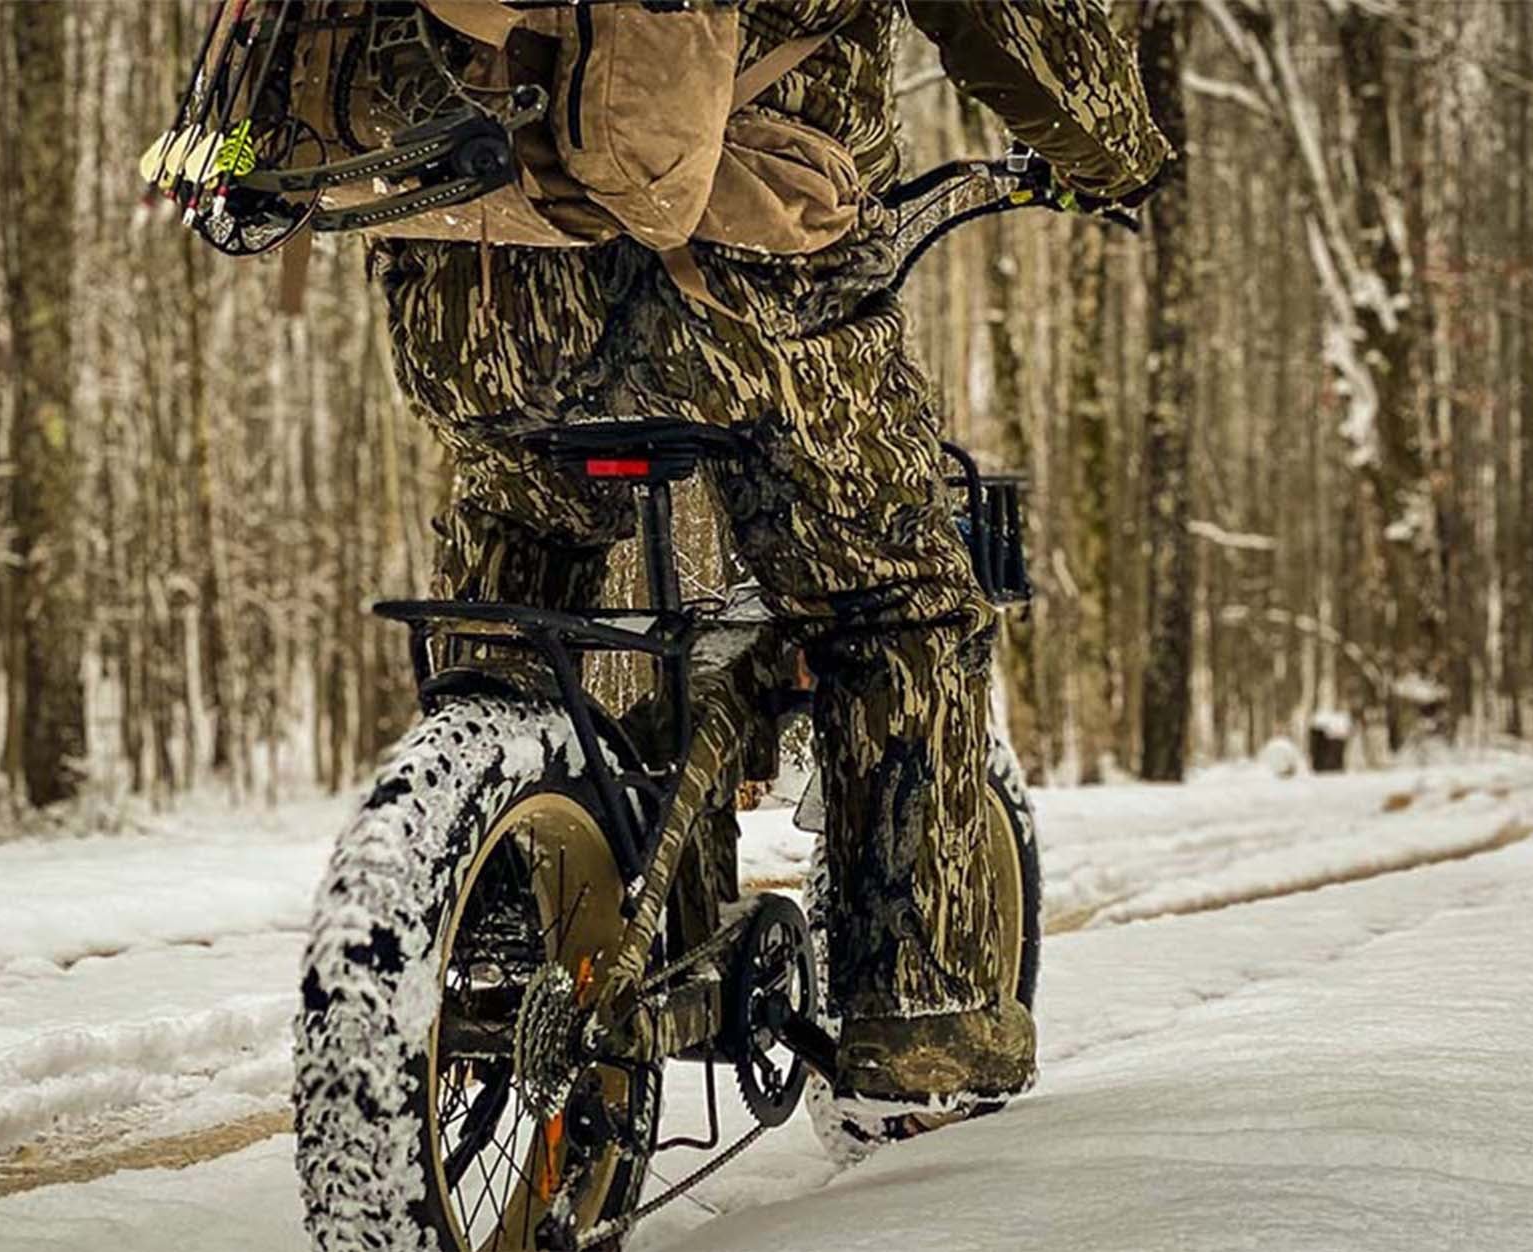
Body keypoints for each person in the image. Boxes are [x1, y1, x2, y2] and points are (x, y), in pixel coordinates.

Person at [375, 0, 1168, 1135]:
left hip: (471, 296)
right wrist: (1113, 154)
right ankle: (920, 1016)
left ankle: (498, 888)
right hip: (737, 284)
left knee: (523, 548)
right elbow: (1029, 34)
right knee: (895, 595)